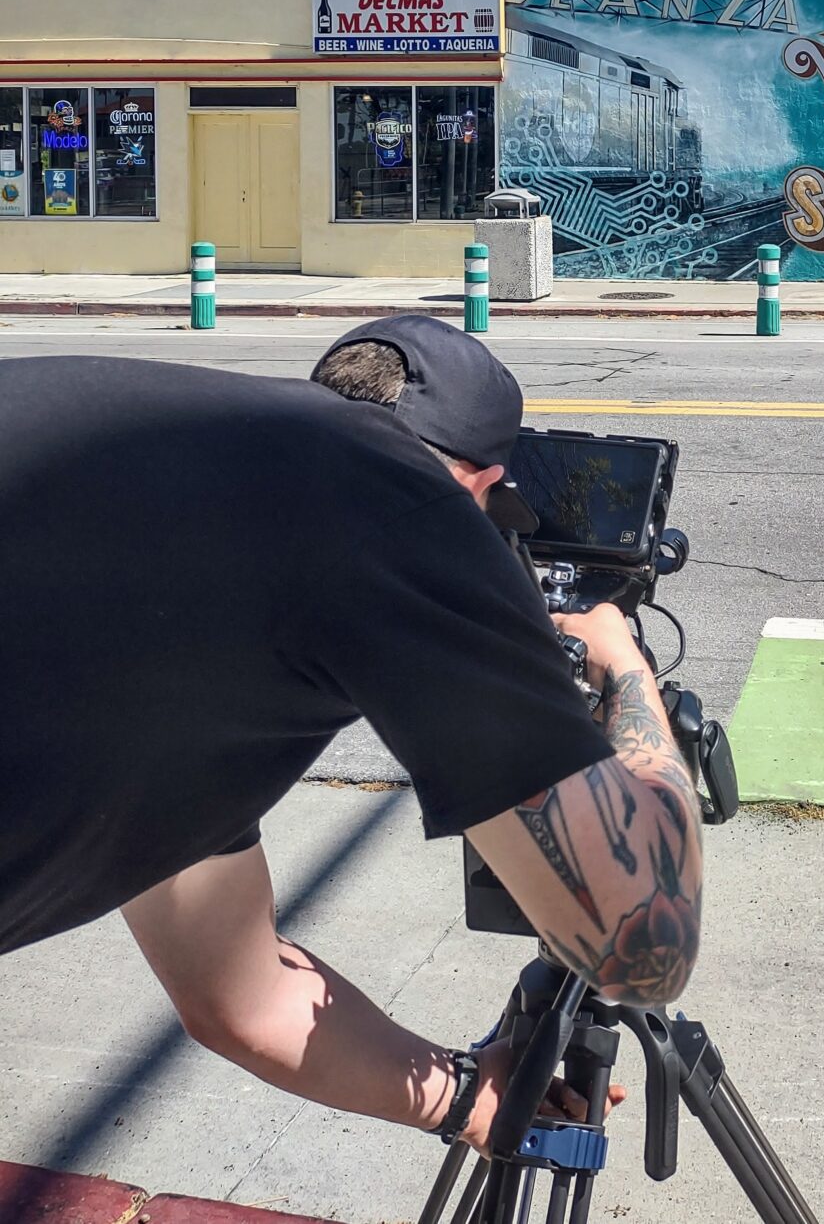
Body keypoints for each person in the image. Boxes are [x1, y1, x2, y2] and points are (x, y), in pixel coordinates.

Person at [0, 315, 702, 1154]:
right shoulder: (393, 498)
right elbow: (642, 946)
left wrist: (466, 1098)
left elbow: (243, 994)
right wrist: (624, 669)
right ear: (478, 484)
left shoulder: (197, 522)